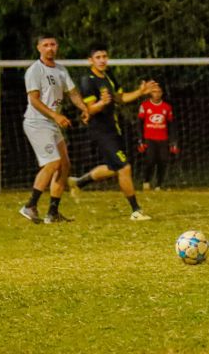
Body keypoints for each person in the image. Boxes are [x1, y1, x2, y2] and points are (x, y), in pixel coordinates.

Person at [67, 44, 157, 221]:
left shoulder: (108, 76)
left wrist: (140, 92)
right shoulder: (88, 80)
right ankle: (136, 210)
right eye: (98, 57)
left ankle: (78, 182)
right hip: (100, 131)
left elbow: (120, 98)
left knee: (113, 167)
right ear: (90, 60)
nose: (102, 60)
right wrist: (101, 103)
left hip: (112, 128)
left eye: (104, 56)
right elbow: (89, 110)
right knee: (125, 167)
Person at [19, 34, 89, 224]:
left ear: (57, 47)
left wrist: (84, 108)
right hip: (37, 122)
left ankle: (52, 213)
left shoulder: (60, 70)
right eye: (45, 45)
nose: (50, 48)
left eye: (53, 44)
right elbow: (34, 99)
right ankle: (30, 206)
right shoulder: (35, 70)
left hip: (51, 123)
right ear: (39, 48)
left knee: (64, 164)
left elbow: (72, 92)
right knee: (52, 164)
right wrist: (56, 115)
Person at [137, 86, 179, 191]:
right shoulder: (145, 106)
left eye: (159, 91)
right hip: (149, 138)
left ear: (162, 93)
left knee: (163, 161)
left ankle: (159, 185)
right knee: (150, 160)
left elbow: (171, 124)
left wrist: (173, 141)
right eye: (154, 92)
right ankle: (146, 181)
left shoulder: (167, 107)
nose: (157, 94)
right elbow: (139, 123)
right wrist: (140, 139)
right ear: (151, 93)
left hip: (163, 139)